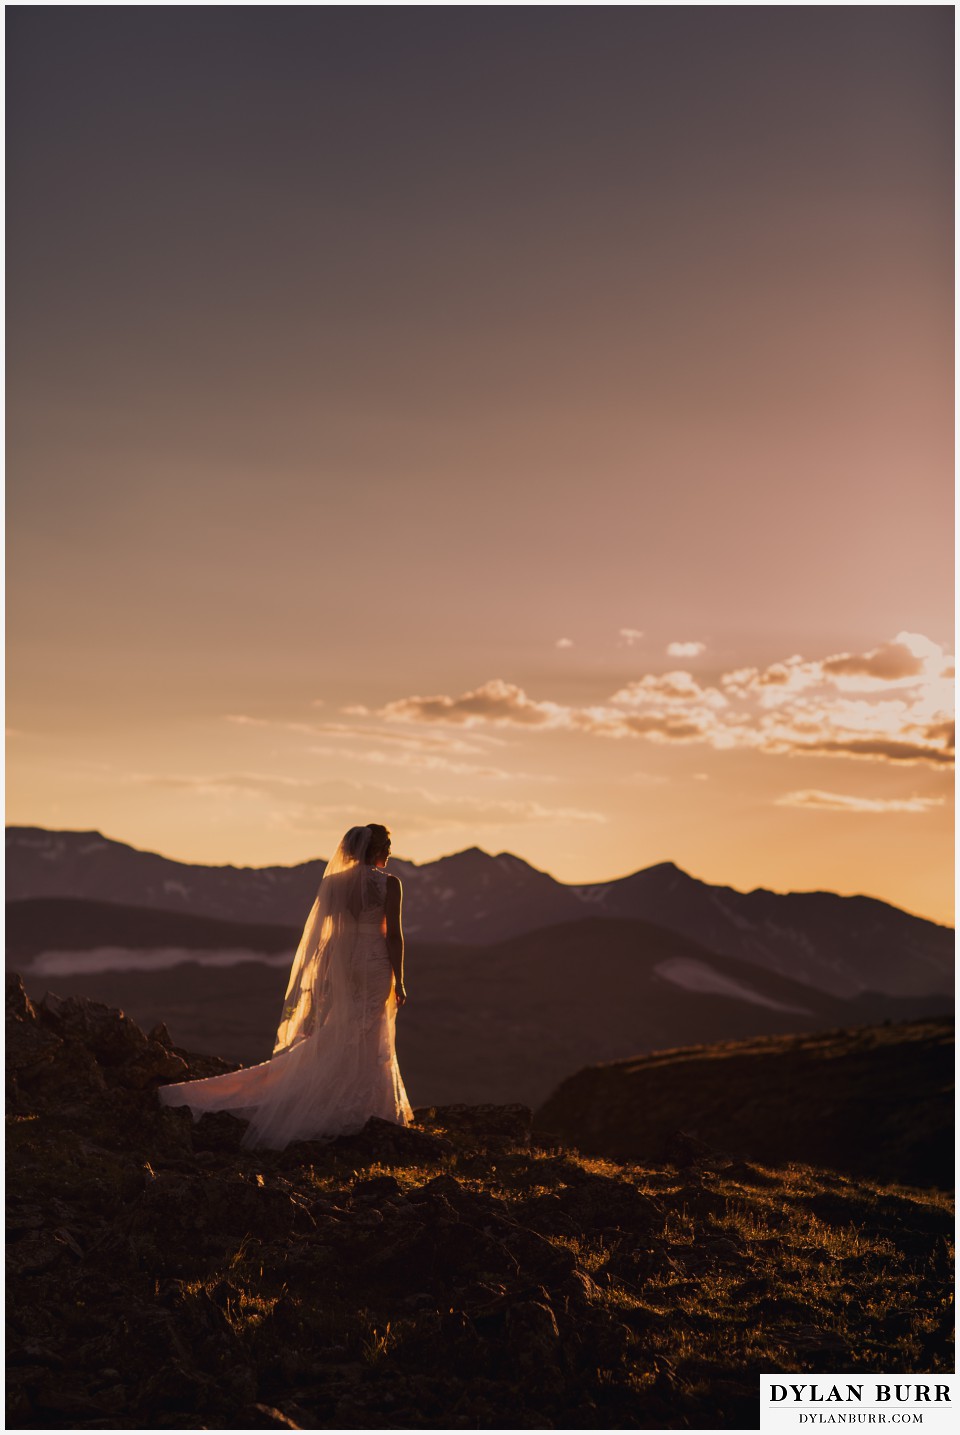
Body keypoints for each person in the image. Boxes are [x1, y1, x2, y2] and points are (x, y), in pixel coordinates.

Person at [157, 823, 413, 1149]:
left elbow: (326, 936)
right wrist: (400, 980)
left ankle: (350, 1099)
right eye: (388, 846)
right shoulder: (390, 884)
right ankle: (364, 1105)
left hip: (347, 964)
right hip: (375, 963)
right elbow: (393, 935)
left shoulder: (336, 883)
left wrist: (328, 975)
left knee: (346, 1028)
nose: (390, 852)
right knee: (368, 1029)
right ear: (375, 849)